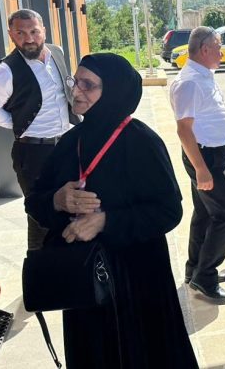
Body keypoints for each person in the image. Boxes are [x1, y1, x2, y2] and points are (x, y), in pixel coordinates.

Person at [24, 53, 197, 368]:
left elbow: (169, 210)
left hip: (139, 284)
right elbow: (34, 201)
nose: (77, 91)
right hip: (84, 286)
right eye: (76, 81)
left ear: (114, 90)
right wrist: (57, 201)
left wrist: (107, 221)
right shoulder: (69, 143)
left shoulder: (142, 142)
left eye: (88, 85)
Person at [0, 9, 78, 251]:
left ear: (43, 30)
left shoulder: (57, 52)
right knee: (41, 217)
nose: (29, 38)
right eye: (21, 33)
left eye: (34, 31)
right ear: (11, 35)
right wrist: (21, 124)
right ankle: (39, 274)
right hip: (33, 153)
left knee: (72, 208)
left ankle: (70, 268)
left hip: (66, 144)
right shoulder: (4, 72)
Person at [170, 26, 225, 300]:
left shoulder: (203, 75)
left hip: (213, 153)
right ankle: (205, 277)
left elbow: (209, 117)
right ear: (205, 49)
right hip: (204, 158)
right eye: (219, 47)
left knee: (205, 214)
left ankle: (195, 269)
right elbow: (184, 130)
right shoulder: (189, 82)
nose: (222, 52)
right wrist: (201, 168)